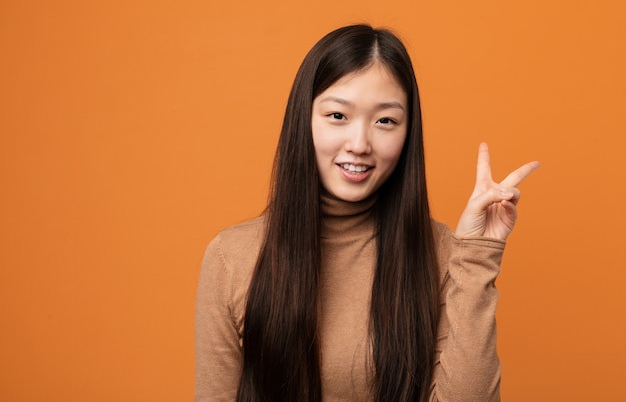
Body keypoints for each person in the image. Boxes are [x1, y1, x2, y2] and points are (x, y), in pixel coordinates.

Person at [195, 24, 539, 402]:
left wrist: (477, 254)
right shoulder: (232, 259)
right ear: (304, 119)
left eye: (385, 121)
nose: (359, 144)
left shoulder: (443, 252)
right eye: (338, 116)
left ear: (409, 134)